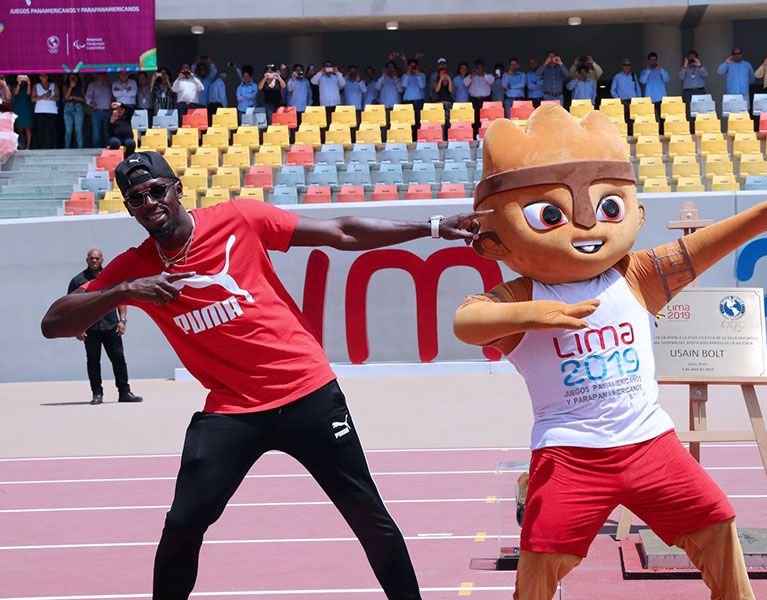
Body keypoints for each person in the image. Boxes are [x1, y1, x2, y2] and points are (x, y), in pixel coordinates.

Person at [40, 151, 488, 599]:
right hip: (233, 410)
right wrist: (124, 290)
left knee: (366, 513)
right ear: (129, 207)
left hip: (306, 391)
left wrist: (431, 226)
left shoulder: (238, 217)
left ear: (177, 188)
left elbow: (340, 231)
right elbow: (53, 323)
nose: (150, 202)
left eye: (157, 190)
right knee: (183, 523)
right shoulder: (134, 267)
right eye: (137, 198)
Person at [455, 104, 767, 600]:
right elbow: (467, 322)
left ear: (635, 213)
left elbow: (698, 251)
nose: (585, 229)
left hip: (650, 443)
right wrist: (529, 316)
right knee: (538, 562)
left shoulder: (635, 275)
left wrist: (754, 220)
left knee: (716, 522)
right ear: (494, 240)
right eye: (550, 215)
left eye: (607, 208)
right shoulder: (522, 293)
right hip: (570, 452)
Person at [66, 248, 142, 405]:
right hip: (89, 328)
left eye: (97, 258)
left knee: (119, 360)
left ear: (102, 260)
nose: (94, 261)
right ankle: (97, 394)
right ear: (87, 260)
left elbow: (121, 299)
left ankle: (124, 393)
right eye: (91, 258)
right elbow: (71, 307)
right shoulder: (77, 281)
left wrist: (122, 321)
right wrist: (77, 329)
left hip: (111, 326)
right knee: (93, 362)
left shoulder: (110, 277)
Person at [31, 73, 60, 150]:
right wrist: (42, 97)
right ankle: (40, 148)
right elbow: (33, 99)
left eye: (45, 76)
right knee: (41, 130)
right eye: (42, 76)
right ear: (39, 77)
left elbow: (58, 97)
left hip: (52, 111)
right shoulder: (36, 86)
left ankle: (51, 147)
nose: (43, 77)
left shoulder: (54, 85)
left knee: (51, 130)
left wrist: (49, 97)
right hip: (39, 111)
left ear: (47, 76)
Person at [639, 52, 670, 121]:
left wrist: (662, 70)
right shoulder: (645, 71)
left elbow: (667, 79)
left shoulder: (661, 70)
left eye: (654, 60)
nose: (653, 62)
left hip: (660, 98)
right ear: (648, 61)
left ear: (657, 60)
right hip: (650, 98)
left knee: (662, 118)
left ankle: (662, 132)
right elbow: (642, 81)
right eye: (651, 60)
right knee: (650, 118)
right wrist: (648, 71)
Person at [86, 73, 113, 148]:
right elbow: (87, 97)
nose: (102, 77)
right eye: (100, 75)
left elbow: (113, 96)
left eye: (104, 75)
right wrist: (91, 102)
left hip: (108, 111)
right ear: (97, 76)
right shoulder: (92, 85)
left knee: (107, 131)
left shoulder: (108, 85)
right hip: (97, 111)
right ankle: (96, 149)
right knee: (96, 132)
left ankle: (107, 148)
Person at [63, 73, 86, 149]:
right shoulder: (66, 86)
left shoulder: (81, 86)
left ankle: (80, 149)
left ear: (77, 77)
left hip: (78, 108)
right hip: (68, 108)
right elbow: (66, 97)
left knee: (78, 130)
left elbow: (83, 99)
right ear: (68, 78)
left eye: (74, 77)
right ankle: (67, 149)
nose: (72, 78)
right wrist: (71, 87)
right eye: (71, 77)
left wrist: (73, 97)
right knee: (68, 131)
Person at [12, 75, 34, 149]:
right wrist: (19, 83)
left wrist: (29, 83)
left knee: (28, 128)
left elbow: (28, 93)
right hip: (18, 108)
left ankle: (28, 146)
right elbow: (15, 93)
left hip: (27, 108)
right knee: (19, 128)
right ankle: (19, 145)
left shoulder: (28, 85)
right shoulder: (15, 85)